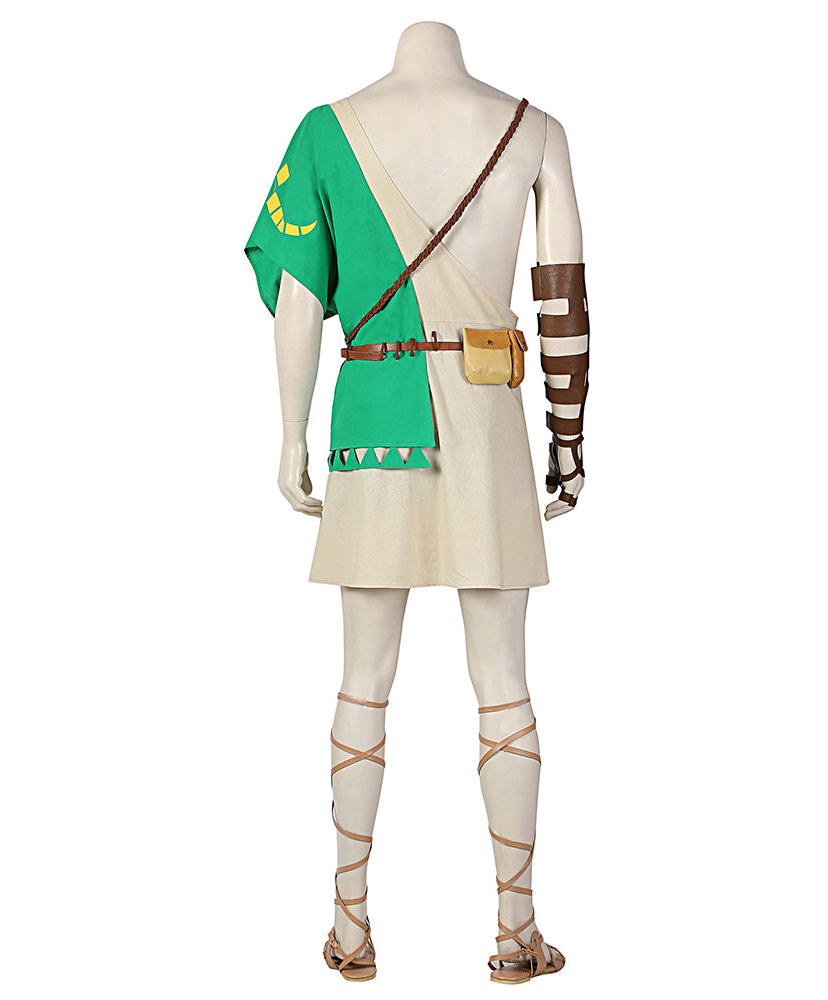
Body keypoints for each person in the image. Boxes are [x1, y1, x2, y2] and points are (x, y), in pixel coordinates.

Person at [243, 21, 589, 985]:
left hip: (371, 421)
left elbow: (299, 300)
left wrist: (289, 433)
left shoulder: (327, 131)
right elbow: (562, 297)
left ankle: (349, 928)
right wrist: (568, 438)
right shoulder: (534, 129)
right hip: (489, 419)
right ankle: (517, 932)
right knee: (505, 681)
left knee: (363, 678)